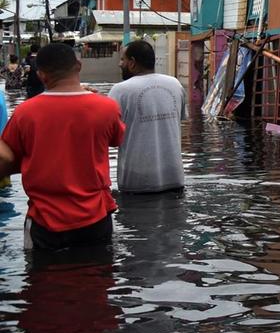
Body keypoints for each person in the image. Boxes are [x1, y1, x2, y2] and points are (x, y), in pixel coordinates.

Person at [0, 43, 124, 250]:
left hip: (45, 221)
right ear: (79, 65)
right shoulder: (107, 108)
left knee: (41, 279)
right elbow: (115, 139)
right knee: (97, 278)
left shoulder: (25, 113)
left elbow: (7, 157)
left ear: (41, 75)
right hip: (95, 218)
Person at [108, 40, 186, 194]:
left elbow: (109, 137)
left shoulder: (120, 91)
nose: (119, 63)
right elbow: (179, 121)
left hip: (136, 184)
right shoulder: (175, 84)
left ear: (132, 63)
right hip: (174, 180)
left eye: (122, 59)